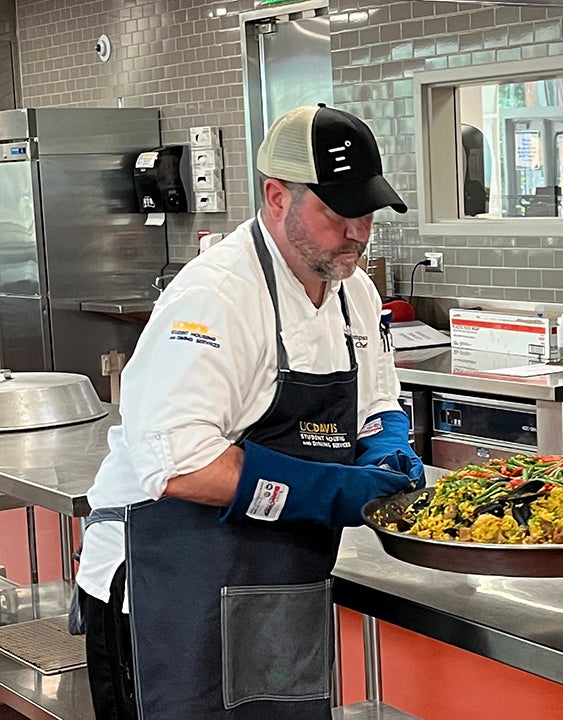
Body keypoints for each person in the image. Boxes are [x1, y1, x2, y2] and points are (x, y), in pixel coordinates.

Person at [73, 103, 424, 720]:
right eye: (338, 213)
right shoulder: (215, 296)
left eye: (366, 213)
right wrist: (333, 490)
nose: (358, 233)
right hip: (168, 585)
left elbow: (376, 400)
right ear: (276, 197)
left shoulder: (354, 290)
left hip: (277, 581)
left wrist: (388, 444)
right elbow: (179, 467)